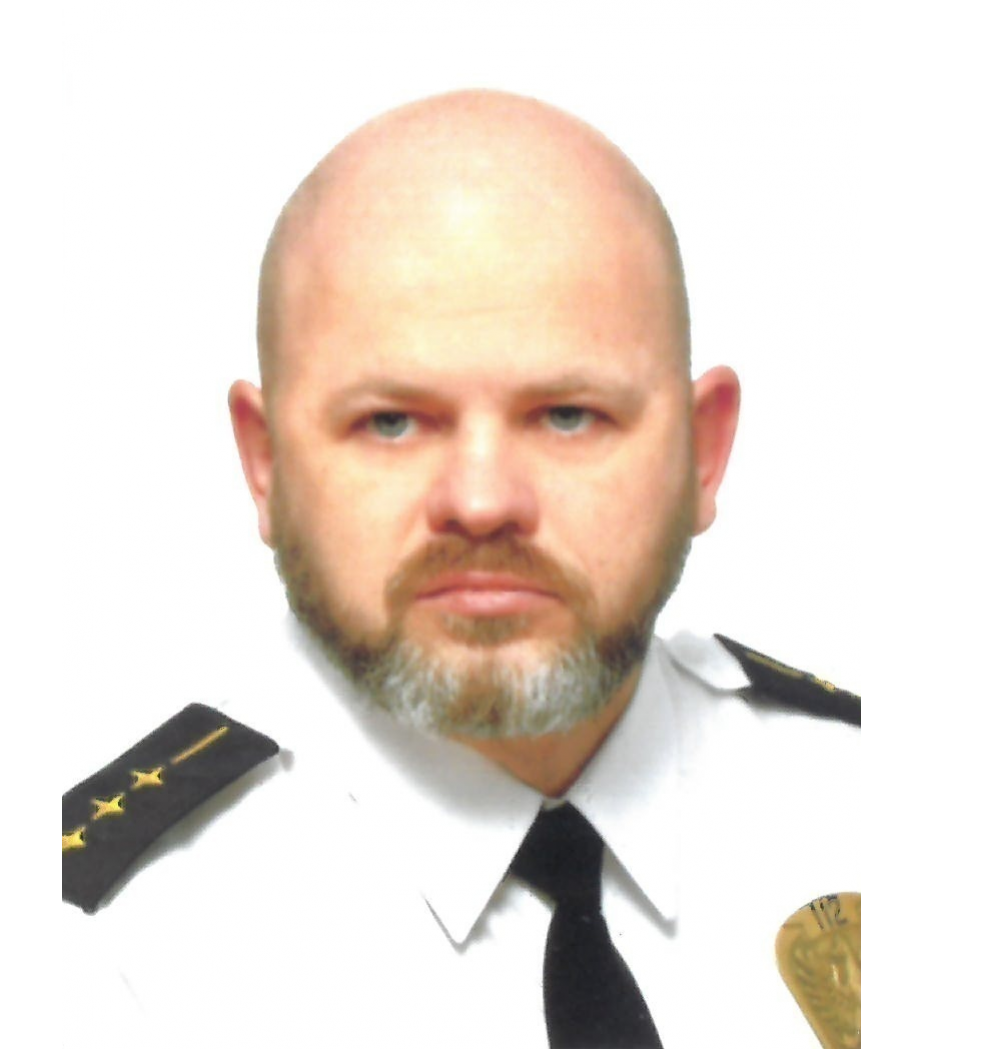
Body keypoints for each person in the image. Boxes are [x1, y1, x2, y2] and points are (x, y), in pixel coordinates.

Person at [62, 90, 859, 1047]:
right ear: (264, 464)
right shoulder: (88, 955)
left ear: (703, 453)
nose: (481, 502)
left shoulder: (875, 799)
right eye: (391, 421)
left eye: (568, 415)